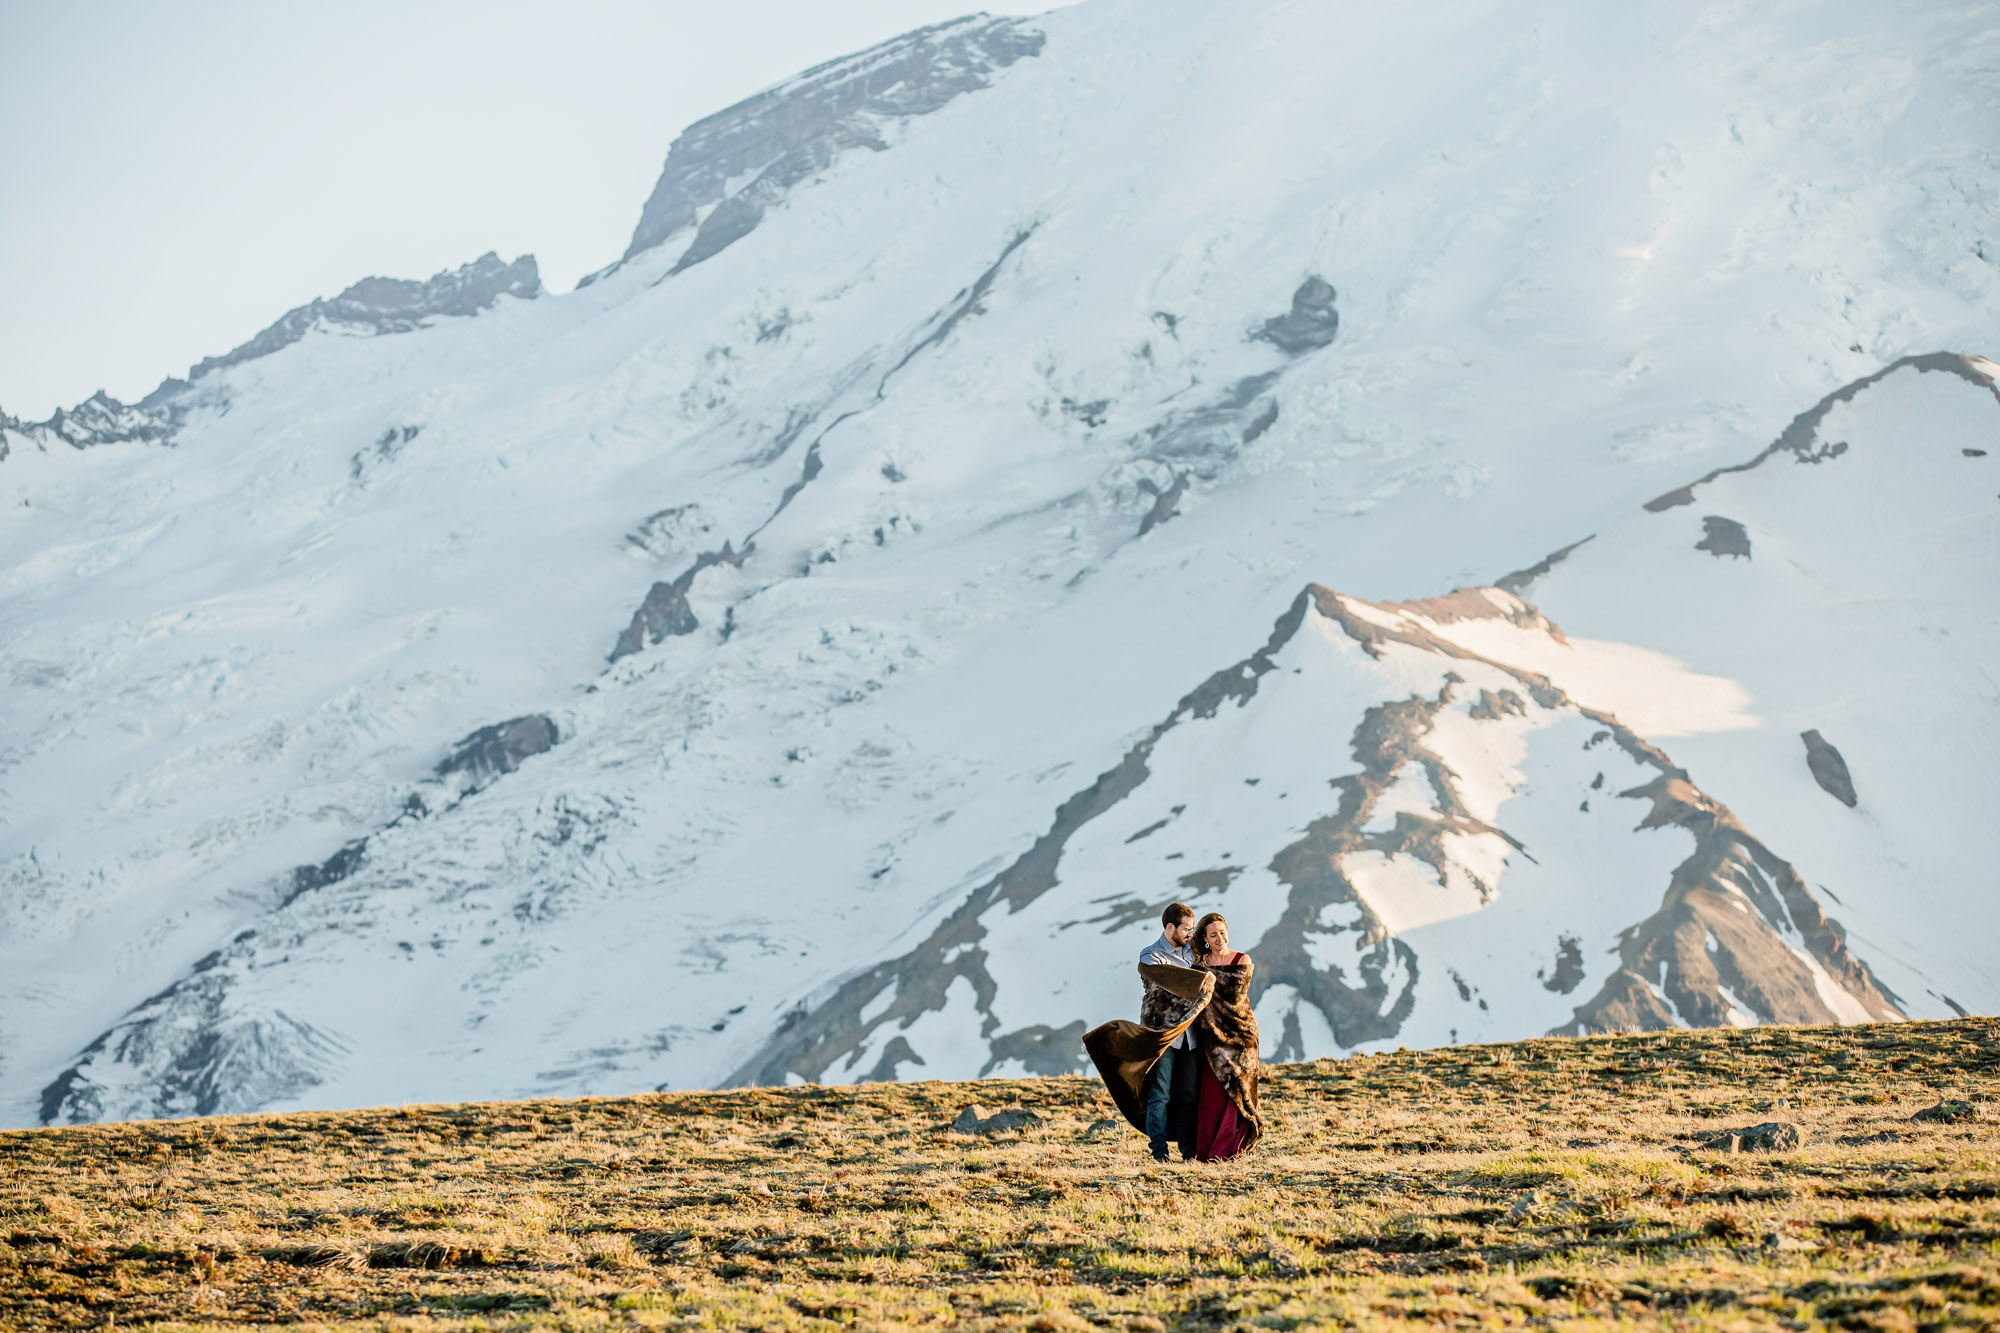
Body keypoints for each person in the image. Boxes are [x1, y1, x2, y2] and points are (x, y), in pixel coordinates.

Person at [1081, 902, 1213, 1163]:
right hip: (1162, 1037)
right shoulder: (1151, 956)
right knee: (1159, 1095)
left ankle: (1188, 1154)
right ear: (1169, 927)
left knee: (1188, 1096)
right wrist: (1201, 982)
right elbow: (1171, 985)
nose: (1190, 934)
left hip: (1192, 1037)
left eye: (1193, 929)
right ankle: (1159, 1154)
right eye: (1186, 929)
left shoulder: (1195, 953)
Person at [1188, 911, 1262, 1161]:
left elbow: (1234, 999)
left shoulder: (1242, 959)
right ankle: (1209, 1152)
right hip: (1212, 1040)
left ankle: (1233, 1148)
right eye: (1213, 934)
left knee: (1239, 1090)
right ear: (1206, 939)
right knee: (1213, 1094)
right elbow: (1196, 998)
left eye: (1222, 932)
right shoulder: (1200, 966)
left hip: (1241, 1036)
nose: (1220, 938)